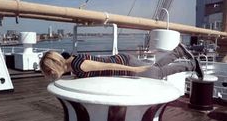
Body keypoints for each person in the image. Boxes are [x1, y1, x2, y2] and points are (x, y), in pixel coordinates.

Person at [39, 43, 204, 81]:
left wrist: (135, 70)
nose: (51, 75)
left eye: (48, 73)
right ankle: (179, 51)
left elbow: (108, 66)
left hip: (125, 64)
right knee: (155, 69)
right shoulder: (71, 62)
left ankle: (191, 65)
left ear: (52, 70)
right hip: (125, 62)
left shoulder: (77, 64)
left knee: (157, 74)